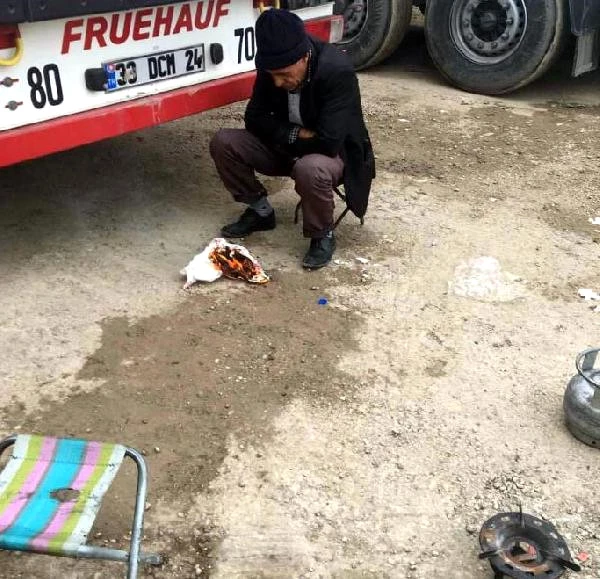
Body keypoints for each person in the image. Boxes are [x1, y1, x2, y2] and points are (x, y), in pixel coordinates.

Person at [209, 8, 375, 269]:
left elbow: (330, 141)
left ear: (303, 56)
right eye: (272, 75)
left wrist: (280, 131)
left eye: (285, 75)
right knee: (224, 142)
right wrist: (296, 134)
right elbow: (253, 118)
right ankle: (260, 211)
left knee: (310, 167)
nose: (277, 82)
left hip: (335, 156)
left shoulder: (336, 71)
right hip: (288, 146)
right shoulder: (273, 68)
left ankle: (322, 235)